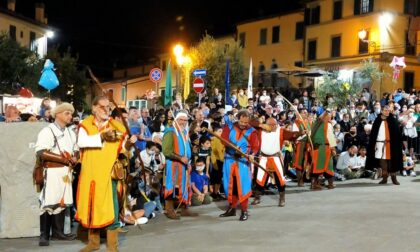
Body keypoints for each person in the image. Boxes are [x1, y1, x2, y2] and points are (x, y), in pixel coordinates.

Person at [76, 96, 131, 252]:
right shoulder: (84, 125)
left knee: (111, 208)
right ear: (93, 108)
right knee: (91, 207)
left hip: (108, 175)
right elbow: (81, 142)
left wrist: (130, 143)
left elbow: (124, 149)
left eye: (108, 107)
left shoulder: (117, 126)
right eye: (102, 107)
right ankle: (93, 243)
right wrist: (101, 136)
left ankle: (112, 246)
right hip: (90, 175)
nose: (106, 110)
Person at [35, 103, 78, 246]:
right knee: (48, 202)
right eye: (67, 113)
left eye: (71, 113)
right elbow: (41, 152)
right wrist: (63, 159)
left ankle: (58, 233)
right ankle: (44, 235)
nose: (70, 116)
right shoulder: (48, 131)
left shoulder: (71, 132)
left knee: (62, 202)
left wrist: (75, 157)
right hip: (52, 172)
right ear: (58, 114)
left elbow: (76, 149)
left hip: (66, 172)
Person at [219, 110, 259, 221]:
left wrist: (252, 154)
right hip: (229, 160)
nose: (243, 125)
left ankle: (244, 210)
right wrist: (234, 148)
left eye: (246, 123)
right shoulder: (229, 127)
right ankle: (232, 208)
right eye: (242, 122)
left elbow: (255, 146)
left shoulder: (252, 131)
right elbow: (224, 140)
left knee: (243, 186)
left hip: (243, 161)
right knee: (230, 185)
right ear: (238, 118)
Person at [252, 117, 302, 207]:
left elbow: (292, 135)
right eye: (270, 124)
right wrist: (261, 125)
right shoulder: (260, 130)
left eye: (275, 124)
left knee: (280, 179)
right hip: (263, 158)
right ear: (266, 124)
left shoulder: (281, 131)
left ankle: (282, 198)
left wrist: (300, 133)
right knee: (260, 178)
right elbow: (250, 122)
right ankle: (257, 197)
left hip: (275, 158)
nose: (273, 126)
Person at [162, 110, 195, 219]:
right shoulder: (169, 132)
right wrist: (180, 158)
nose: (184, 122)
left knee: (185, 186)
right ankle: (169, 210)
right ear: (176, 120)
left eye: (186, 120)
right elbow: (166, 151)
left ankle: (184, 207)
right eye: (181, 120)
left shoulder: (184, 132)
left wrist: (187, 160)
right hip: (173, 165)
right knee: (171, 186)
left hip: (184, 165)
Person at [366, 105, 403, 185]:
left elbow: (397, 134)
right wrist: (374, 144)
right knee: (382, 162)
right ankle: (385, 177)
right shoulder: (377, 120)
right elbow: (374, 134)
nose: (387, 112)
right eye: (385, 110)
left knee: (392, 161)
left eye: (388, 111)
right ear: (382, 111)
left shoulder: (393, 120)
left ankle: (394, 178)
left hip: (391, 144)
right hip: (379, 144)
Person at [310, 110, 337, 190]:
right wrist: (333, 149)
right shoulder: (326, 125)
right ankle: (329, 184)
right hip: (324, 148)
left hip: (317, 148)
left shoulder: (315, 124)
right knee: (328, 166)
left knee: (317, 166)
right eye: (329, 116)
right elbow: (331, 137)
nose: (330, 117)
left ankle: (314, 184)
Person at [210, 124, 225, 200]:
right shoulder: (213, 140)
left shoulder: (221, 139)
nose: (221, 133)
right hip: (216, 161)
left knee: (219, 178)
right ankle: (215, 193)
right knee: (216, 178)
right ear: (214, 132)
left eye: (222, 131)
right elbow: (213, 152)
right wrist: (214, 163)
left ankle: (217, 192)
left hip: (222, 161)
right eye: (219, 131)